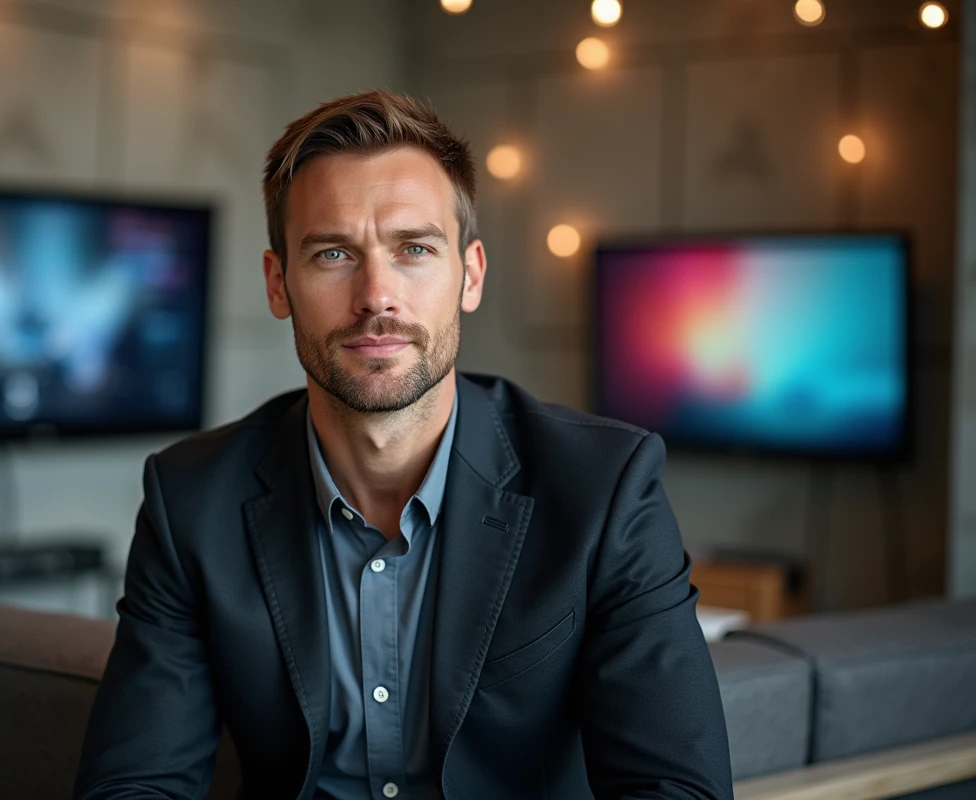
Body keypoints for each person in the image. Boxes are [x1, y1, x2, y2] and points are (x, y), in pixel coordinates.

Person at [73, 90, 732, 800]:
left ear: (469, 275)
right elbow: (133, 786)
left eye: (413, 249)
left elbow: (677, 790)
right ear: (278, 283)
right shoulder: (192, 499)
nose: (376, 295)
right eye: (333, 253)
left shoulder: (603, 486)